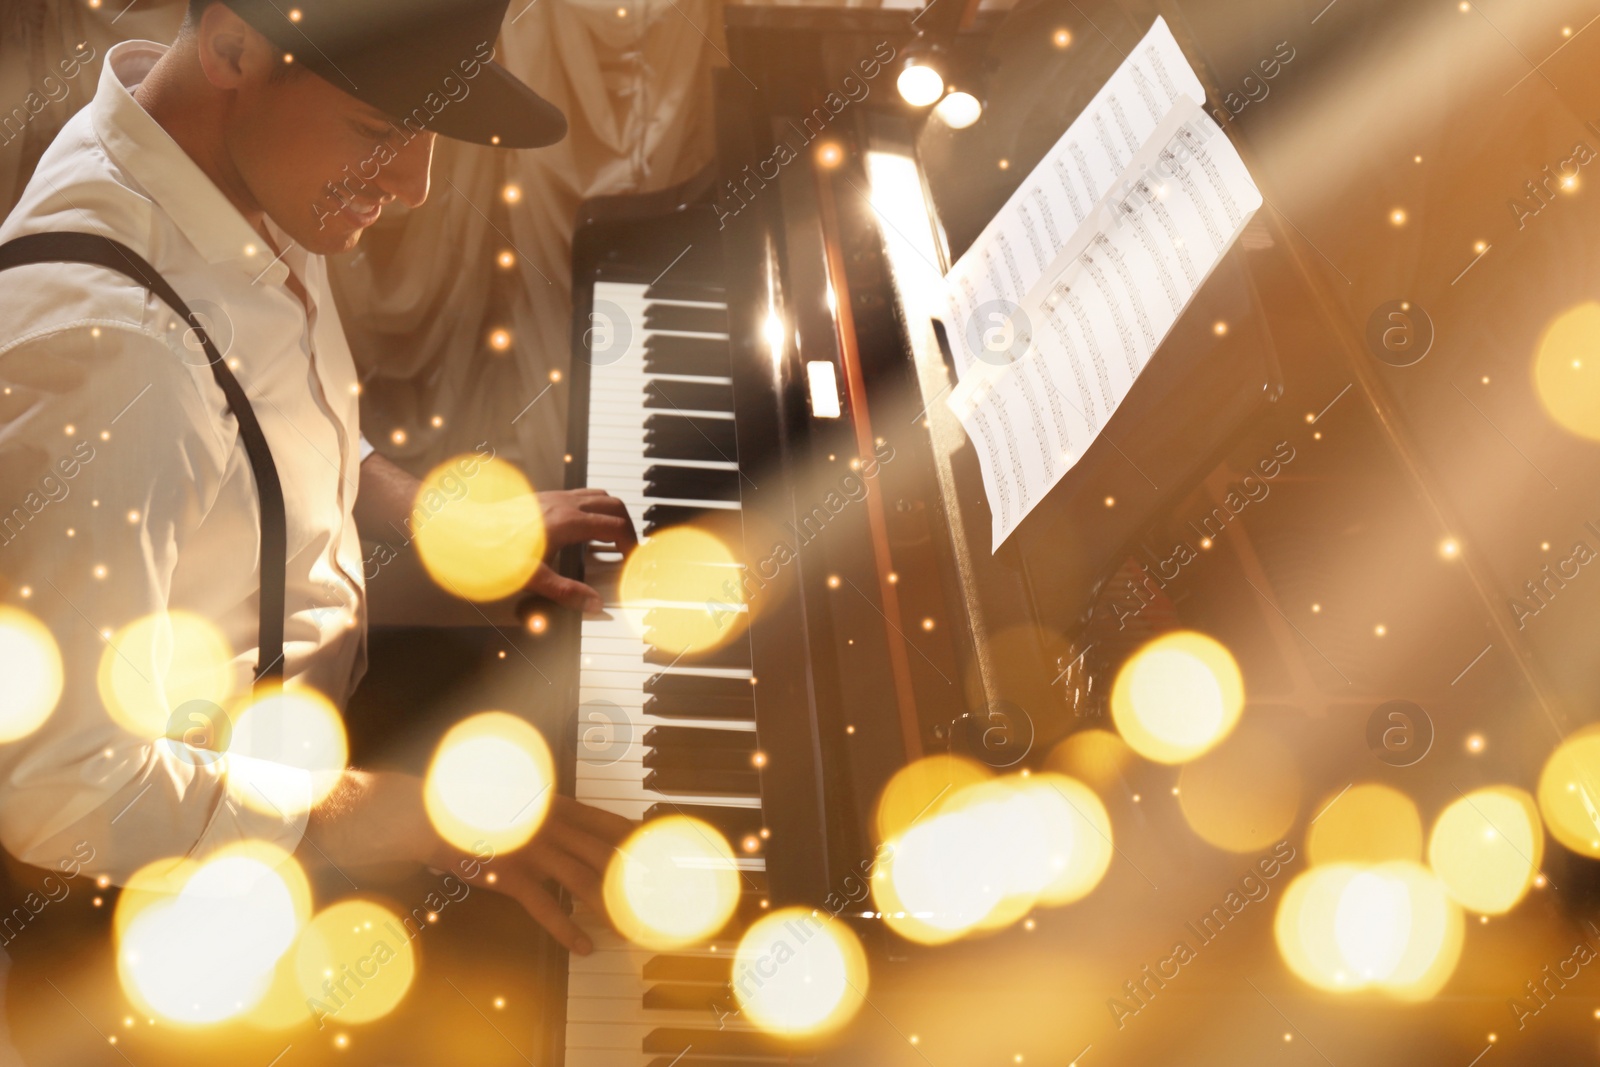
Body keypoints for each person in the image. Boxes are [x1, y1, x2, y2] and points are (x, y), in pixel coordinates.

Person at [0, 0, 634, 1000]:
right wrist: (381, 812)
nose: (417, 185)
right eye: (383, 132)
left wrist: (428, 511)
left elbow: (256, 421)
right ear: (232, 48)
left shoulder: (218, 170)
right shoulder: (113, 363)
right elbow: (56, 787)